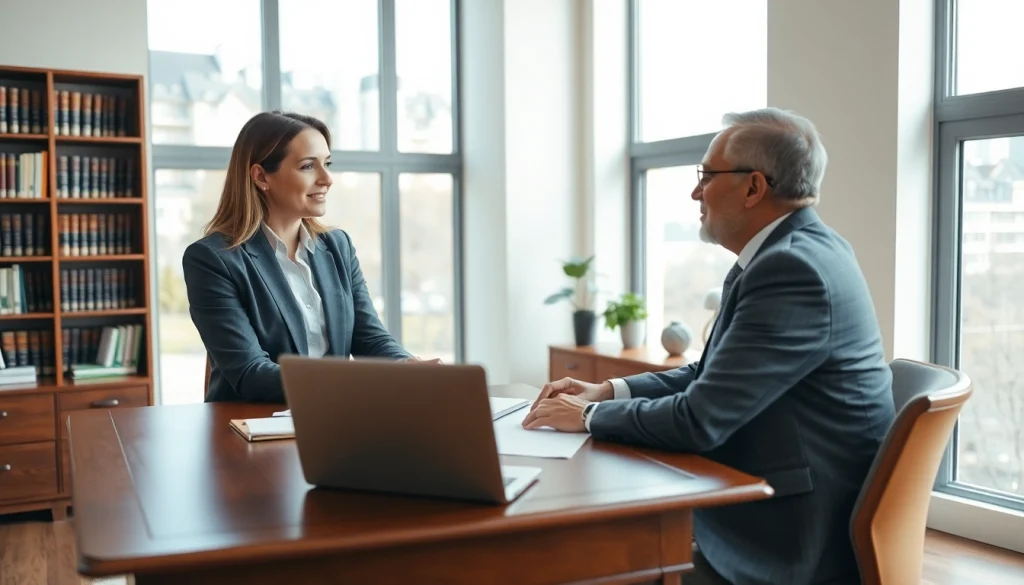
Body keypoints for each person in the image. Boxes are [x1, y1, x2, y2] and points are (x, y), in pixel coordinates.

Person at [523, 108, 896, 585]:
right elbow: (709, 375)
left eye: (706, 175)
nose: (696, 192)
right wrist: (608, 391)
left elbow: (700, 419)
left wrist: (589, 417)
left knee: (585, 558)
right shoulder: (803, 250)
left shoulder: (791, 269)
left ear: (753, 187)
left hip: (789, 536)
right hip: (787, 502)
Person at [182, 111, 434, 403]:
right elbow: (250, 373)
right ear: (261, 176)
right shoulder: (212, 259)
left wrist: (406, 367)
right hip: (255, 422)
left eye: (327, 164)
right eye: (308, 166)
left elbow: (369, 338)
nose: (327, 179)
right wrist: (360, 381)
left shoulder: (337, 246)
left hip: (333, 415)